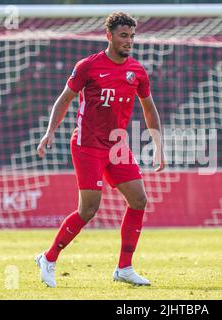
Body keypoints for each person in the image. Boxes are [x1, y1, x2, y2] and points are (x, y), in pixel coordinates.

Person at [35, 12, 165, 288]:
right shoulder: (88, 66)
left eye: (131, 36)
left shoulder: (137, 72)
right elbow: (64, 99)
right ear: (109, 36)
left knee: (139, 200)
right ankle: (48, 258)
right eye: (123, 36)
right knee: (89, 209)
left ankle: (124, 268)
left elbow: (149, 108)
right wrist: (49, 132)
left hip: (117, 145)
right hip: (87, 145)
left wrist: (157, 144)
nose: (129, 41)